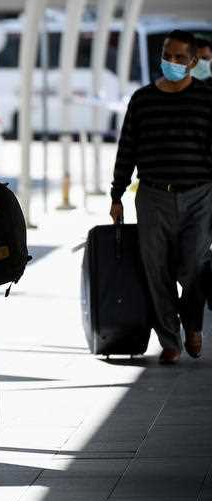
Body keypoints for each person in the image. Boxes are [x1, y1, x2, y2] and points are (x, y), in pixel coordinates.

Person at [110, 30, 212, 365]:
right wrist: (117, 193)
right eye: (168, 54)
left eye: (180, 57)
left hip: (199, 195)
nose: (172, 61)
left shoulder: (207, 99)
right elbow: (127, 149)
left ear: (193, 61)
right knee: (157, 271)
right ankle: (170, 340)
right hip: (153, 195)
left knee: (195, 266)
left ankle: (192, 324)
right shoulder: (142, 99)